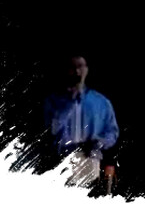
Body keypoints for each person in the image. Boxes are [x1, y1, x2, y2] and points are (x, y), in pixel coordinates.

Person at [43, 53, 119, 190]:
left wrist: (98, 143)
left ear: (87, 69)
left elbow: (112, 132)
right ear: (66, 70)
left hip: (90, 161)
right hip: (62, 162)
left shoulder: (101, 102)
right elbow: (48, 132)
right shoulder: (53, 101)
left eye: (80, 66)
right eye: (72, 67)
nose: (77, 71)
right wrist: (69, 102)